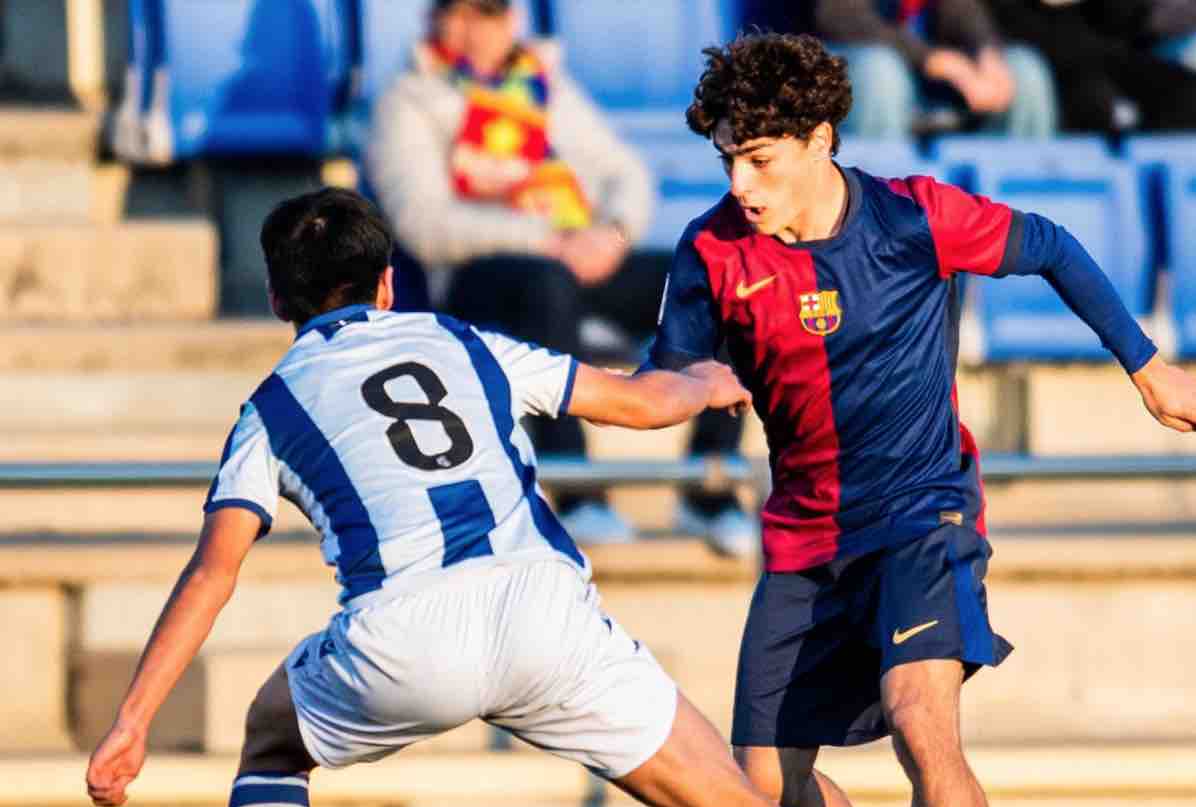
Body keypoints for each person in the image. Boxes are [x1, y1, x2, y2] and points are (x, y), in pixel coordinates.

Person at [84, 187, 995, 807]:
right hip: (543, 615)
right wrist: (722, 381)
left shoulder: (271, 405)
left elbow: (213, 572)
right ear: (390, 281)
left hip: (400, 640)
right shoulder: (461, 342)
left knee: (271, 745)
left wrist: (133, 724)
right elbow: (641, 401)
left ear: (280, 298)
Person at [647, 32, 1196, 807]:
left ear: (819, 141)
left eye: (758, 159)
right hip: (802, 542)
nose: (740, 182)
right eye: (725, 159)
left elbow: (1052, 244)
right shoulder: (709, 251)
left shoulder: (908, 218)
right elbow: (668, 370)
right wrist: (674, 388)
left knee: (918, 716)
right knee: (762, 798)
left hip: (920, 513)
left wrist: (1146, 365)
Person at [366, 0, 753, 556]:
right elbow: (424, 224)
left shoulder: (543, 84)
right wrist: (550, 242)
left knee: (711, 278)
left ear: (513, 22)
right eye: (459, 12)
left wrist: (613, 236)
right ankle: (576, 489)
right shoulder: (408, 99)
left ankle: (709, 488)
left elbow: (625, 172)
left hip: (575, 255)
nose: (474, 28)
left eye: (489, 13)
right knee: (544, 283)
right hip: (476, 275)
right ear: (435, 20)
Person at [812, 0, 1057, 138]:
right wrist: (934, 61)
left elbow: (961, 11)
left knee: (1024, 70)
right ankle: (875, 207)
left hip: (927, 73)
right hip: (849, 64)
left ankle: (1020, 216)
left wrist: (987, 54)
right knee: (879, 72)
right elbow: (840, 18)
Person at [987, 0, 1196, 132]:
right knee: (1095, 101)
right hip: (1059, 74)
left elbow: (1142, 21)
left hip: (1117, 62)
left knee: (1185, 94)